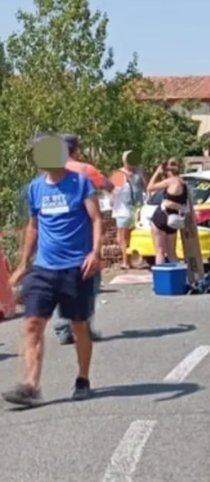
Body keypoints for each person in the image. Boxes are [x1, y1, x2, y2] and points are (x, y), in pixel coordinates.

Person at [3, 134, 102, 406]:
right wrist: (23, 264)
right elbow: (33, 227)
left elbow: (95, 219)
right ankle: (30, 386)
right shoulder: (35, 188)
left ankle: (83, 378)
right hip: (44, 269)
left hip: (76, 267)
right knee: (32, 324)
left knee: (78, 326)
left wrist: (94, 253)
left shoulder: (80, 183)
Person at [55, 134, 110, 345]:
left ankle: (63, 328)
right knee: (89, 278)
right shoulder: (85, 170)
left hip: (58, 234)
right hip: (83, 231)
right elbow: (108, 185)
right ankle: (82, 326)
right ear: (76, 150)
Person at [111, 151, 147, 269]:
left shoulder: (131, 173)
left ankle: (127, 261)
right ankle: (129, 260)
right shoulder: (126, 173)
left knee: (125, 236)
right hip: (130, 209)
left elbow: (112, 192)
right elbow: (114, 192)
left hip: (129, 209)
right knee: (126, 236)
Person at [147, 159, 187, 265]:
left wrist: (156, 173)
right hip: (173, 219)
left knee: (160, 251)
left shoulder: (171, 181)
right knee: (172, 253)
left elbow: (150, 188)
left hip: (162, 216)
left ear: (168, 171)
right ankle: (180, 277)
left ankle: (160, 278)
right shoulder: (183, 183)